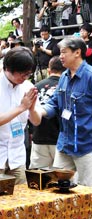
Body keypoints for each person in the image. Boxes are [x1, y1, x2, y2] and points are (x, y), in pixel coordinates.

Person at [0, 47, 41, 184]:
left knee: (21, 200)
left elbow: (36, 121)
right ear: (7, 68)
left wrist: (31, 108)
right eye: (22, 74)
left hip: (17, 155)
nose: (25, 78)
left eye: (28, 74)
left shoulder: (28, 87)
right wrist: (22, 107)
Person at [38, 37, 92, 187]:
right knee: (59, 187)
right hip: (64, 144)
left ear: (77, 52)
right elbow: (55, 102)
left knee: (86, 192)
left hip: (86, 146)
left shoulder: (90, 76)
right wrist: (40, 111)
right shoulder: (64, 77)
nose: (60, 56)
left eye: (63, 52)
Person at [29, 56, 65, 169]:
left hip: (39, 135)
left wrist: (31, 131)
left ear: (49, 70)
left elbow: (30, 110)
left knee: (39, 178)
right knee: (63, 179)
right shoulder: (66, 86)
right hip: (60, 138)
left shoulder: (35, 87)